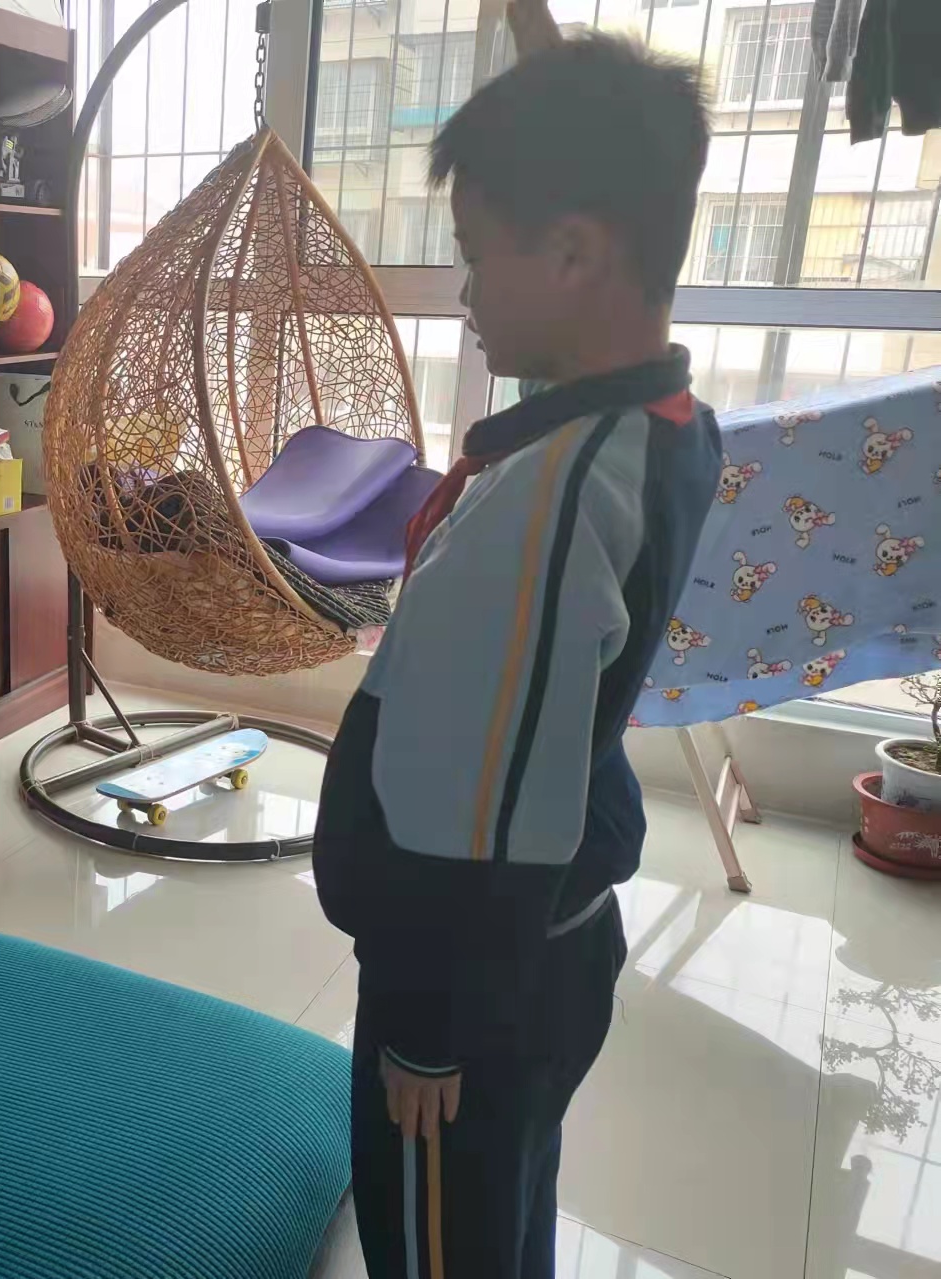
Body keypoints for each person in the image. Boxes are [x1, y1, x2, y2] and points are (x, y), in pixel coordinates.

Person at [310, 5, 719, 1276]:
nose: (465, 292)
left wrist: (425, 1023)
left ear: (575, 252)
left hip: (466, 989)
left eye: (475, 256)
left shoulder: (549, 504)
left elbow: (477, 809)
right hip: (535, 948)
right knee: (497, 1220)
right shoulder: (659, 425)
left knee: (441, 1244)